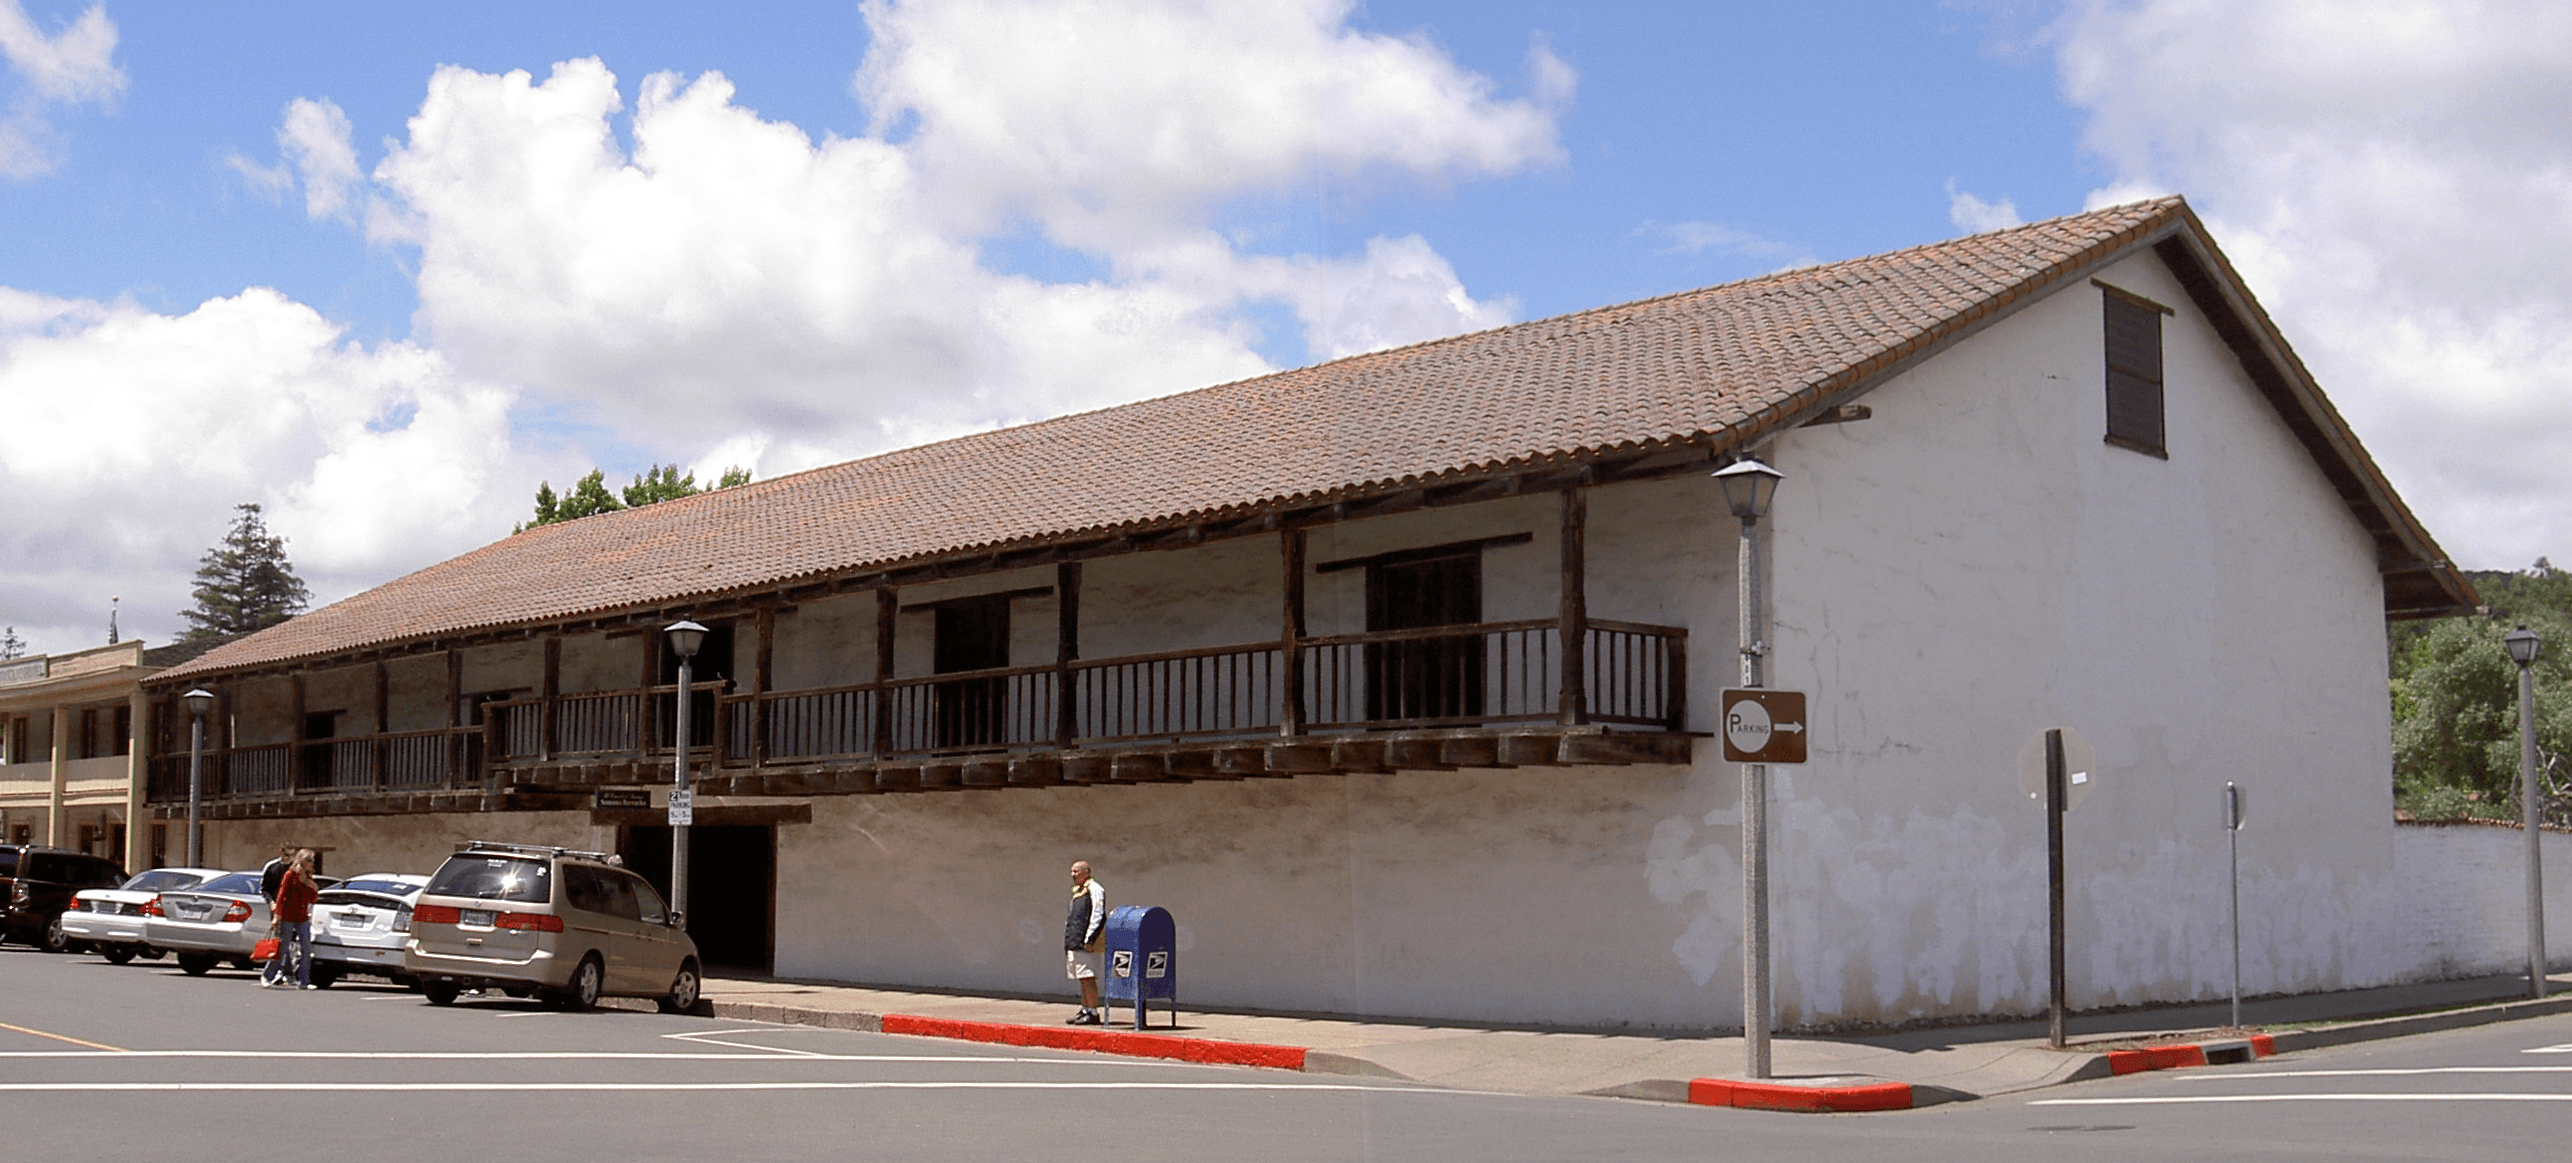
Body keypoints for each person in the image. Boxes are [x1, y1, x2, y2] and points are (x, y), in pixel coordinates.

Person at [1063, 860, 1106, 1025]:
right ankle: (1085, 1008)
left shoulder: (1094, 888)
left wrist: (1090, 938)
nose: (1073, 875)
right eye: (1072, 871)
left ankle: (1093, 1012)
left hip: (1086, 941)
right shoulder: (1077, 891)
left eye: (1076, 871)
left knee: (1088, 977)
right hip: (1074, 941)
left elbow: (1098, 914)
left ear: (1086, 872)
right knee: (1081, 977)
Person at [271, 849, 321, 990]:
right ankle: (268, 975)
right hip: (287, 915)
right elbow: (281, 896)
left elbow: (312, 899)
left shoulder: (308, 877)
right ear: (302, 861)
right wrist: (276, 915)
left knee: (306, 949)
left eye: (312, 861)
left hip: (302, 917)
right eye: (309, 860)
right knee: (282, 947)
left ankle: (304, 982)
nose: (311, 864)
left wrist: (312, 887)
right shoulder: (290, 875)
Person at [257, 847, 292, 987]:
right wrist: (271, 903)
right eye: (286, 854)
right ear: (280, 853)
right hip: (278, 909)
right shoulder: (272, 868)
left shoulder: (295, 869)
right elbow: (264, 888)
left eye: (291, 855)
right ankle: (276, 974)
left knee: (287, 941)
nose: (288, 857)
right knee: (281, 940)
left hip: (292, 909)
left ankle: (286, 973)